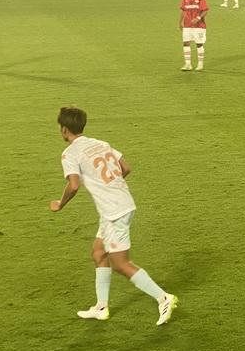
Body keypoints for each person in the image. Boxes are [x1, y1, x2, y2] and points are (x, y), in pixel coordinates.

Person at [50, 106, 178, 325]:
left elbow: (73, 184)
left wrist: (60, 203)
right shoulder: (101, 143)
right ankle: (101, 307)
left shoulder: (70, 153)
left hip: (114, 212)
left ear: (63, 130)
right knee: (98, 253)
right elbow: (125, 168)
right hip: (119, 206)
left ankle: (163, 297)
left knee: (120, 264)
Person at [180, 0, 208, 71]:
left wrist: (198, 18)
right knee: (186, 43)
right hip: (187, 25)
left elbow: (205, 10)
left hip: (199, 26)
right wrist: (180, 22)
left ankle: (200, 64)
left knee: (199, 44)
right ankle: (188, 64)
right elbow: (183, 10)